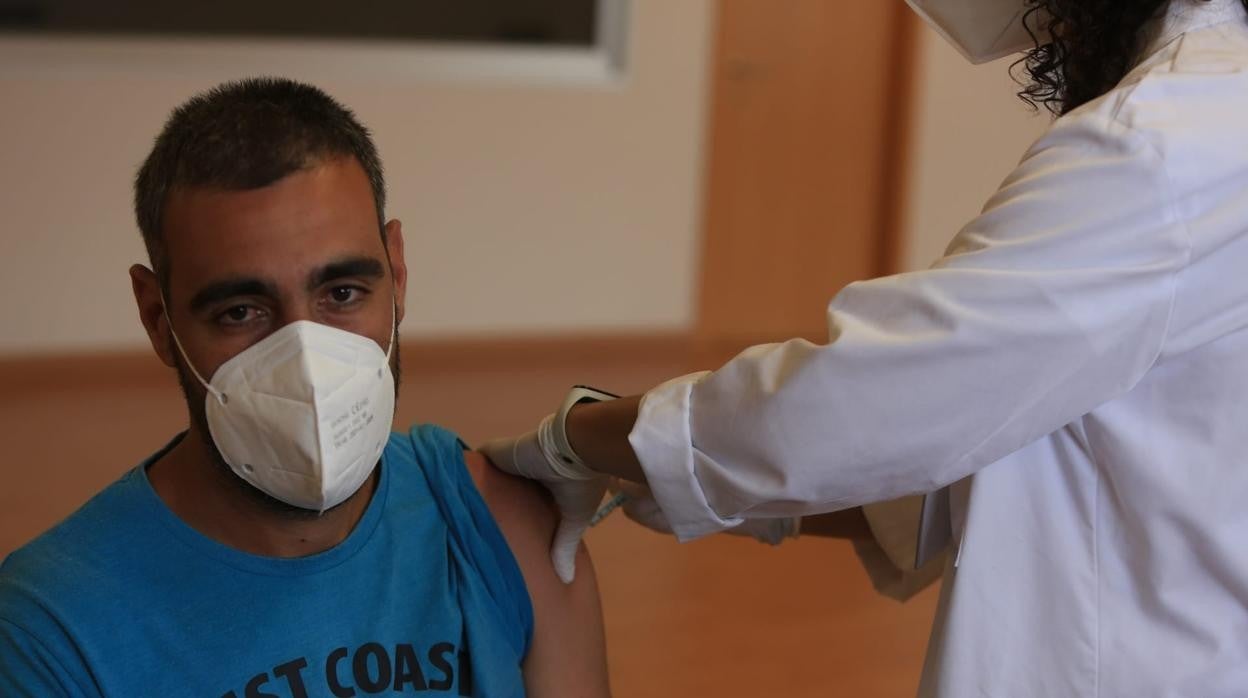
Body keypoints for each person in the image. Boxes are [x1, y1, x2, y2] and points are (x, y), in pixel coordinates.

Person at [483, 0, 1248, 694]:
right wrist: (744, 501)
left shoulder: (1163, 143)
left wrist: (579, 438)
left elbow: (884, 398)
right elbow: (1039, 441)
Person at [0, 78, 609, 697]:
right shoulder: (51, 631)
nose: (306, 361)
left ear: (397, 273)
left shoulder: (498, 527)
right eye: (240, 311)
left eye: (341, 294)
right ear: (159, 318)